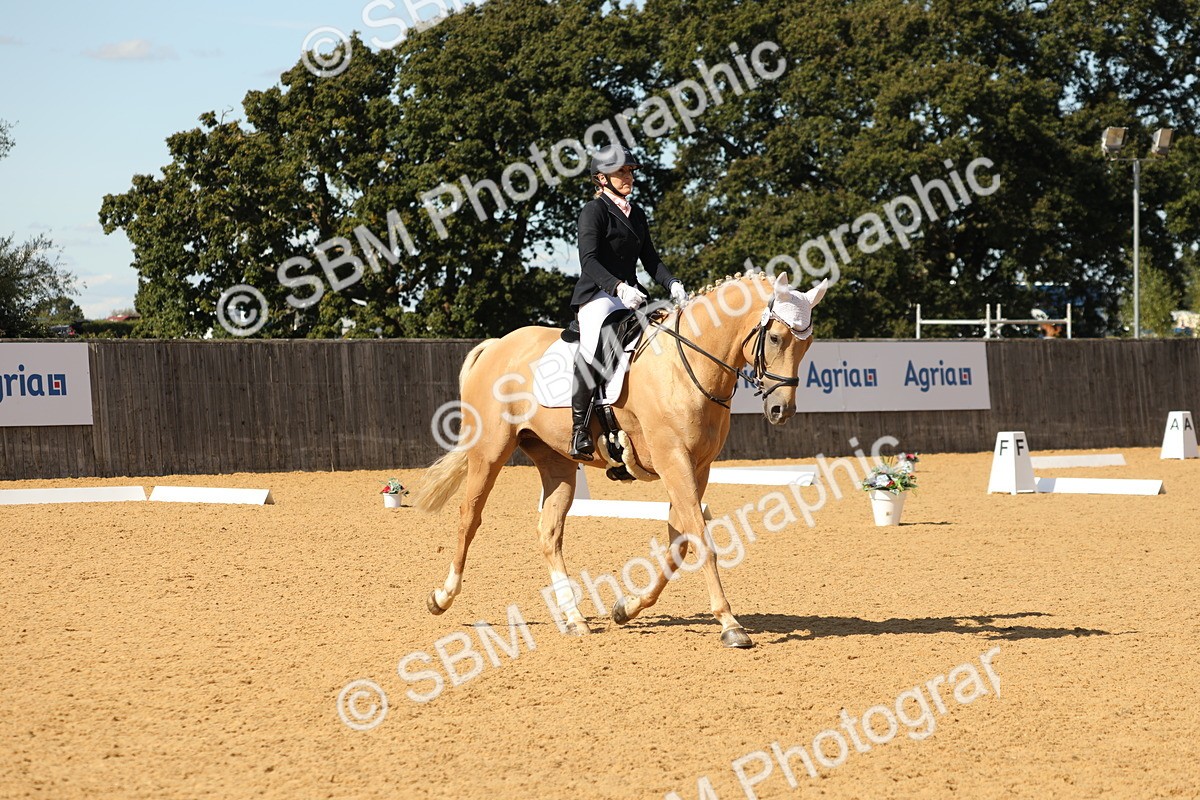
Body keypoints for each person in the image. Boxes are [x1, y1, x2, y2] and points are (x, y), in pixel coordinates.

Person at [568, 145, 688, 460]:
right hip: (598, 297)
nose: (628, 177)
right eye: (622, 171)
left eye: (630, 171)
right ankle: (579, 430)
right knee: (595, 348)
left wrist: (672, 282)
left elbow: (651, 259)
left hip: (631, 296)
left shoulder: (636, 214)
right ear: (601, 178)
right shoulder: (594, 211)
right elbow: (589, 261)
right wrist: (617, 287)